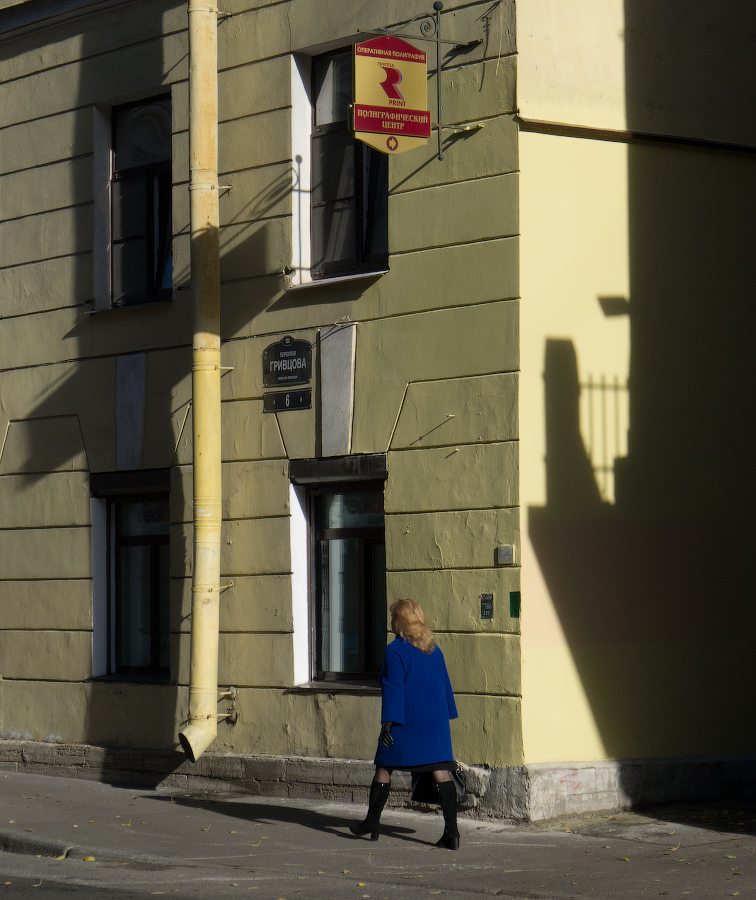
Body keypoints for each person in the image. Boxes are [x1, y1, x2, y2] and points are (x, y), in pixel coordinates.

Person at [350, 598, 460, 849]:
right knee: (441, 770)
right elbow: (445, 685)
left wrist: (388, 723)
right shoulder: (434, 649)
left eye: (392, 617)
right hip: (435, 722)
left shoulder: (395, 650)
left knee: (384, 767)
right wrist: (446, 717)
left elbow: (393, 688)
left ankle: (372, 822)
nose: (390, 621)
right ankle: (452, 833)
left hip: (406, 720)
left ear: (399, 622)